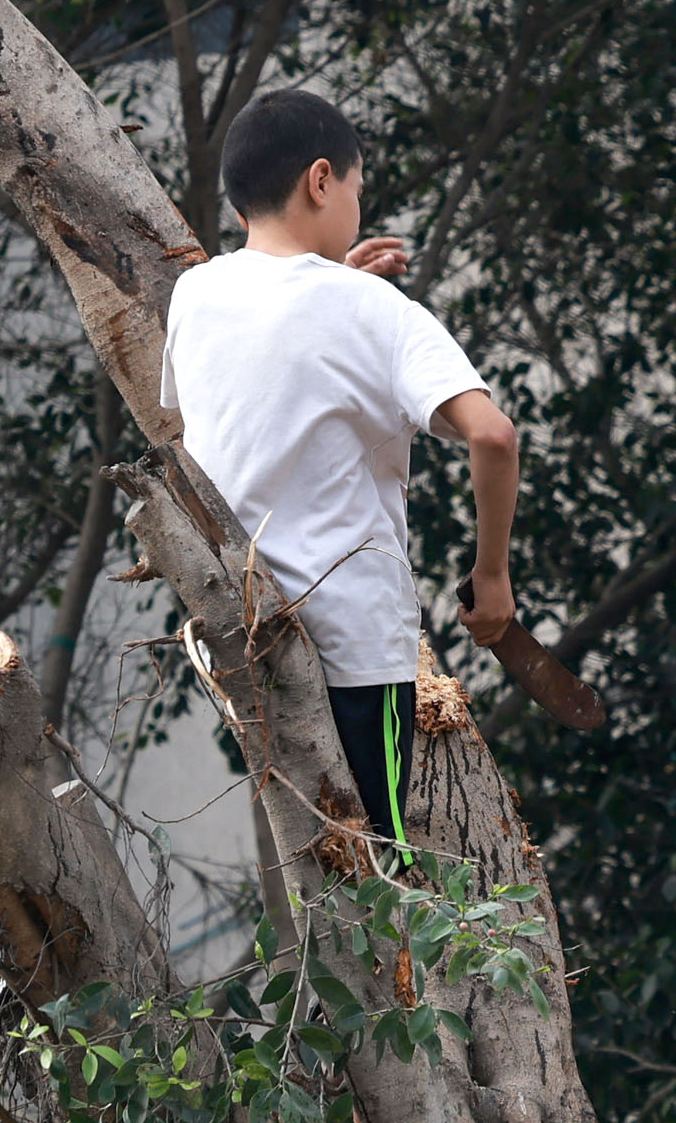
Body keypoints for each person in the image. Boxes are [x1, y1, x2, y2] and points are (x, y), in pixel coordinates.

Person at [163, 87, 526, 870]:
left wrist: (340, 285)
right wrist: (490, 577)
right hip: (354, 646)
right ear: (321, 181)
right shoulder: (375, 311)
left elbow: (266, 380)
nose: (358, 206)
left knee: (318, 868)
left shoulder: (194, 295)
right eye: (357, 189)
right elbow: (493, 436)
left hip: (245, 635)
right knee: (381, 872)